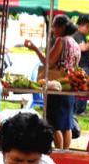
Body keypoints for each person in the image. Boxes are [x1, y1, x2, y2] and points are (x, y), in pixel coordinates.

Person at [25, 14, 81, 149]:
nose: (53, 29)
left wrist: (34, 49)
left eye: (55, 26)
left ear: (62, 27)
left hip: (56, 85)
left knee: (54, 124)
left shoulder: (61, 41)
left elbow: (48, 62)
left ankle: (59, 155)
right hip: (70, 86)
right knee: (67, 125)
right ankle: (66, 154)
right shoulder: (74, 43)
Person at [72, 16, 89, 116]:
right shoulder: (78, 35)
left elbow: (84, 48)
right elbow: (82, 48)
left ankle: (81, 109)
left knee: (84, 88)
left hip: (84, 65)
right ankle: (79, 110)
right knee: (82, 88)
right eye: (87, 26)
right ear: (81, 26)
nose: (88, 29)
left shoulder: (81, 36)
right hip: (81, 66)